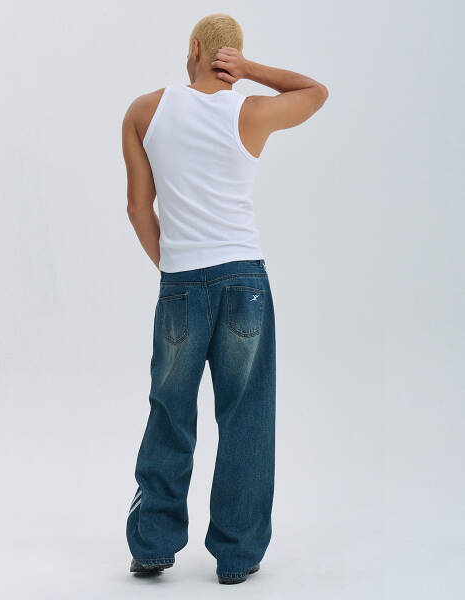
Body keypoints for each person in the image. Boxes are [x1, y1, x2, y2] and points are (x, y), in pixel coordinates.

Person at [121, 13, 328, 585]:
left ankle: (153, 545)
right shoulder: (251, 111)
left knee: (170, 410)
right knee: (247, 417)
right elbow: (316, 91)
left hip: (181, 284)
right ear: (231, 57)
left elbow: (138, 208)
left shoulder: (144, 111)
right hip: (245, 282)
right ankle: (237, 557)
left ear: (193, 48)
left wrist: (175, 271)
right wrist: (251, 70)